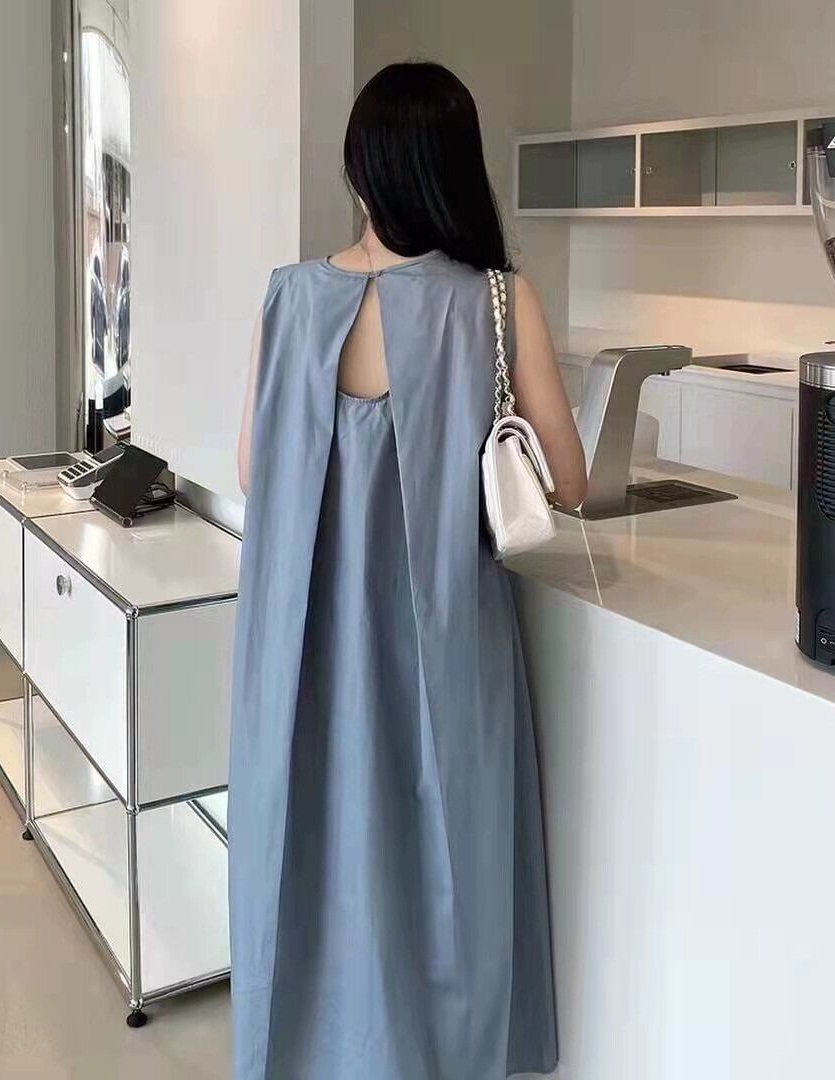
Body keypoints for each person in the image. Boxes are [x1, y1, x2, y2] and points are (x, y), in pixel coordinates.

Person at [231, 60, 587, 1080]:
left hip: (302, 645)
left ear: (359, 170)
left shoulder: (288, 297)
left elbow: (255, 471)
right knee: (445, 862)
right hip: (446, 636)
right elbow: (567, 481)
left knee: (311, 850)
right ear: (454, 169)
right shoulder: (497, 301)